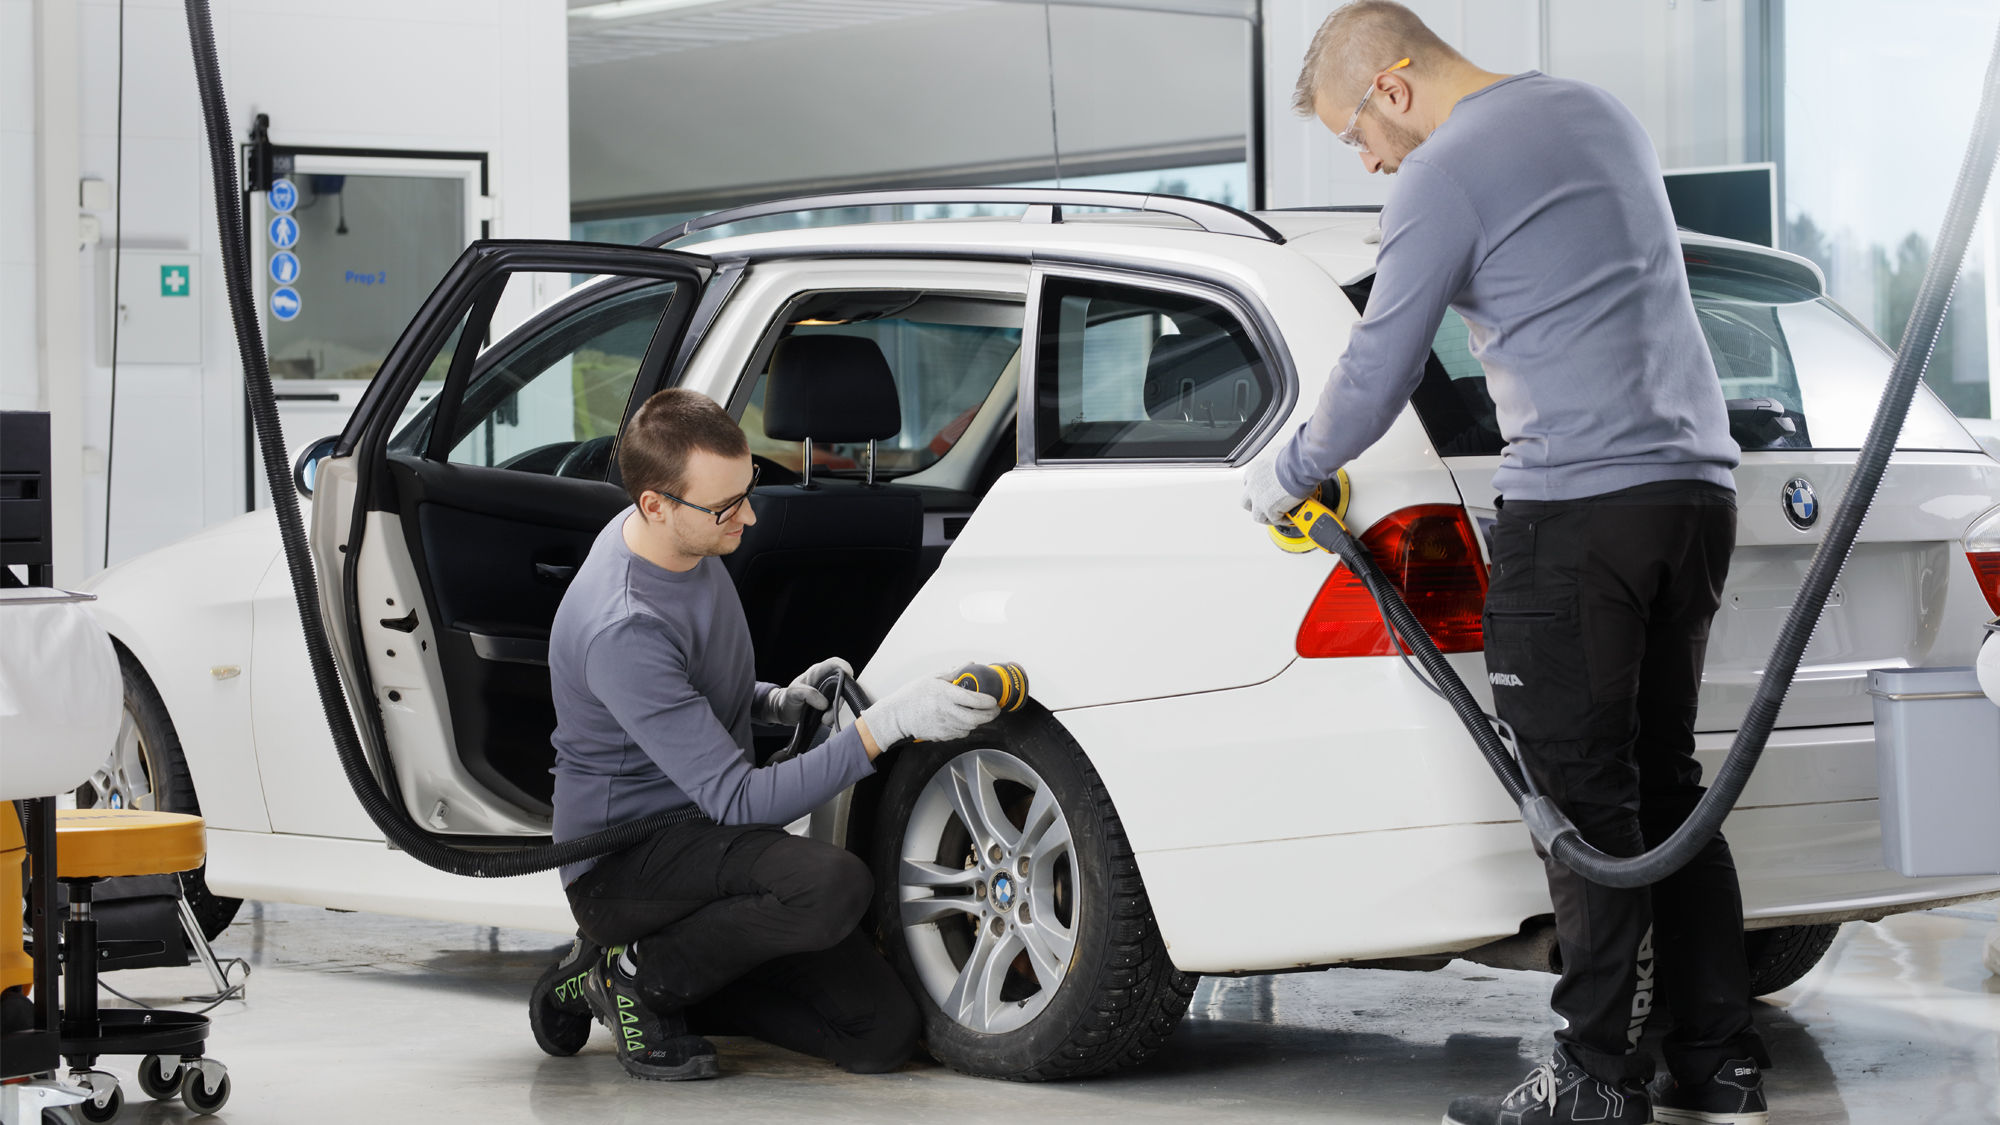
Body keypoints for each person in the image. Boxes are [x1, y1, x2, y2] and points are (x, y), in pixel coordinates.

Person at [1245, 5, 1768, 1124]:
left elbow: (1378, 364)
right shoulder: (1596, 113)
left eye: (1353, 134)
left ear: (1390, 88)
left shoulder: (1443, 171)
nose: (1370, 158)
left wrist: (1285, 469)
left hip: (1576, 514)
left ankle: (1587, 1083)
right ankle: (1714, 1063)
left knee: (1579, 809)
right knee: (1667, 787)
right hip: (1691, 500)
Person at [531, 387, 1002, 1081]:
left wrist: (775, 701)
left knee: (880, 1035)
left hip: (707, 836)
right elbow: (742, 800)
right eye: (725, 507)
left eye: (746, 490)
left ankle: (637, 978)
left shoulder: (678, 543)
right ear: (655, 505)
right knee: (830, 885)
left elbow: (679, 695)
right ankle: (635, 972)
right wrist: (886, 725)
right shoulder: (622, 623)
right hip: (627, 864)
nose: (747, 515)